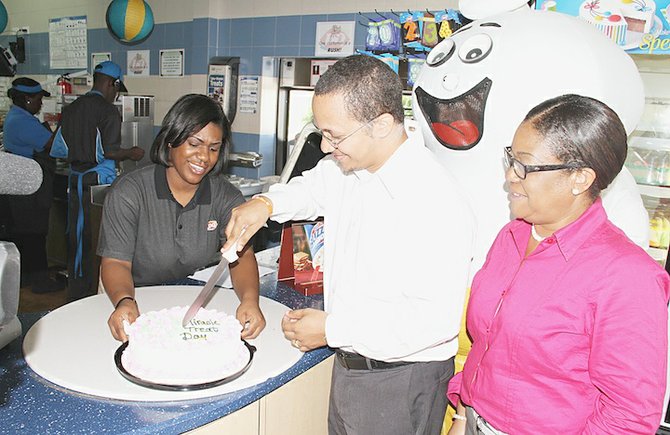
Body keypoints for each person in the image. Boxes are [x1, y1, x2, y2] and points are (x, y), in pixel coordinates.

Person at [224, 55, 475, 435]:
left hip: (399, 381)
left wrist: (331, 330)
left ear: (383, 125)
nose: (326, 147)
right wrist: (266, 204)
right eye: (321, 132)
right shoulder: (350, 169)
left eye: (335, 135)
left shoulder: (433, 199)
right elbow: (310, 187)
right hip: (352, 368)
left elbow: (431, 323)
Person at [447, 95, 670, 435]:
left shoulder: (627, 277)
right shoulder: (512, 236)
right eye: (510, 158)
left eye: (525, 165)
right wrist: (463, 415)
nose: (510, 176)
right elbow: (486, 344)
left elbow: (628, 416)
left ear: (579, 178)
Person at [98, 94, 265, 342]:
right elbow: (115, 263)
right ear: (170, 141)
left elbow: (240, 256)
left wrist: (250, 301)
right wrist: (124, 301)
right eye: (194, 144)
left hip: (194, 302)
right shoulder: (129, 192)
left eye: (213, 148)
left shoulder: (225, 196)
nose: (204, 157)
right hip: (132, 298)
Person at [52, 61, 144, 302]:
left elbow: (58, 147)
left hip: (75, 180)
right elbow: (111, 151)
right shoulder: (107, 110)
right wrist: (132, 153)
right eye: (116, 88)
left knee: (77, 235)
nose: (115, 94)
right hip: (98, 181)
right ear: (111, 83)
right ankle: (93, 294)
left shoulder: (72, 108)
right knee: (101, 241)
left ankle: (76, 289)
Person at [3, 77, 64, 293]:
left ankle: (27, 278)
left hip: (22, 186)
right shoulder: (22, 121)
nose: (40, 104)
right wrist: (65, 121)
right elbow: (52, 144)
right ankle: (39, 282)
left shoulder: (16, 116)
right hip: (28, 189)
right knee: (34, 234)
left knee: (26, 234)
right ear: (27, 99)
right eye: (38, 99)